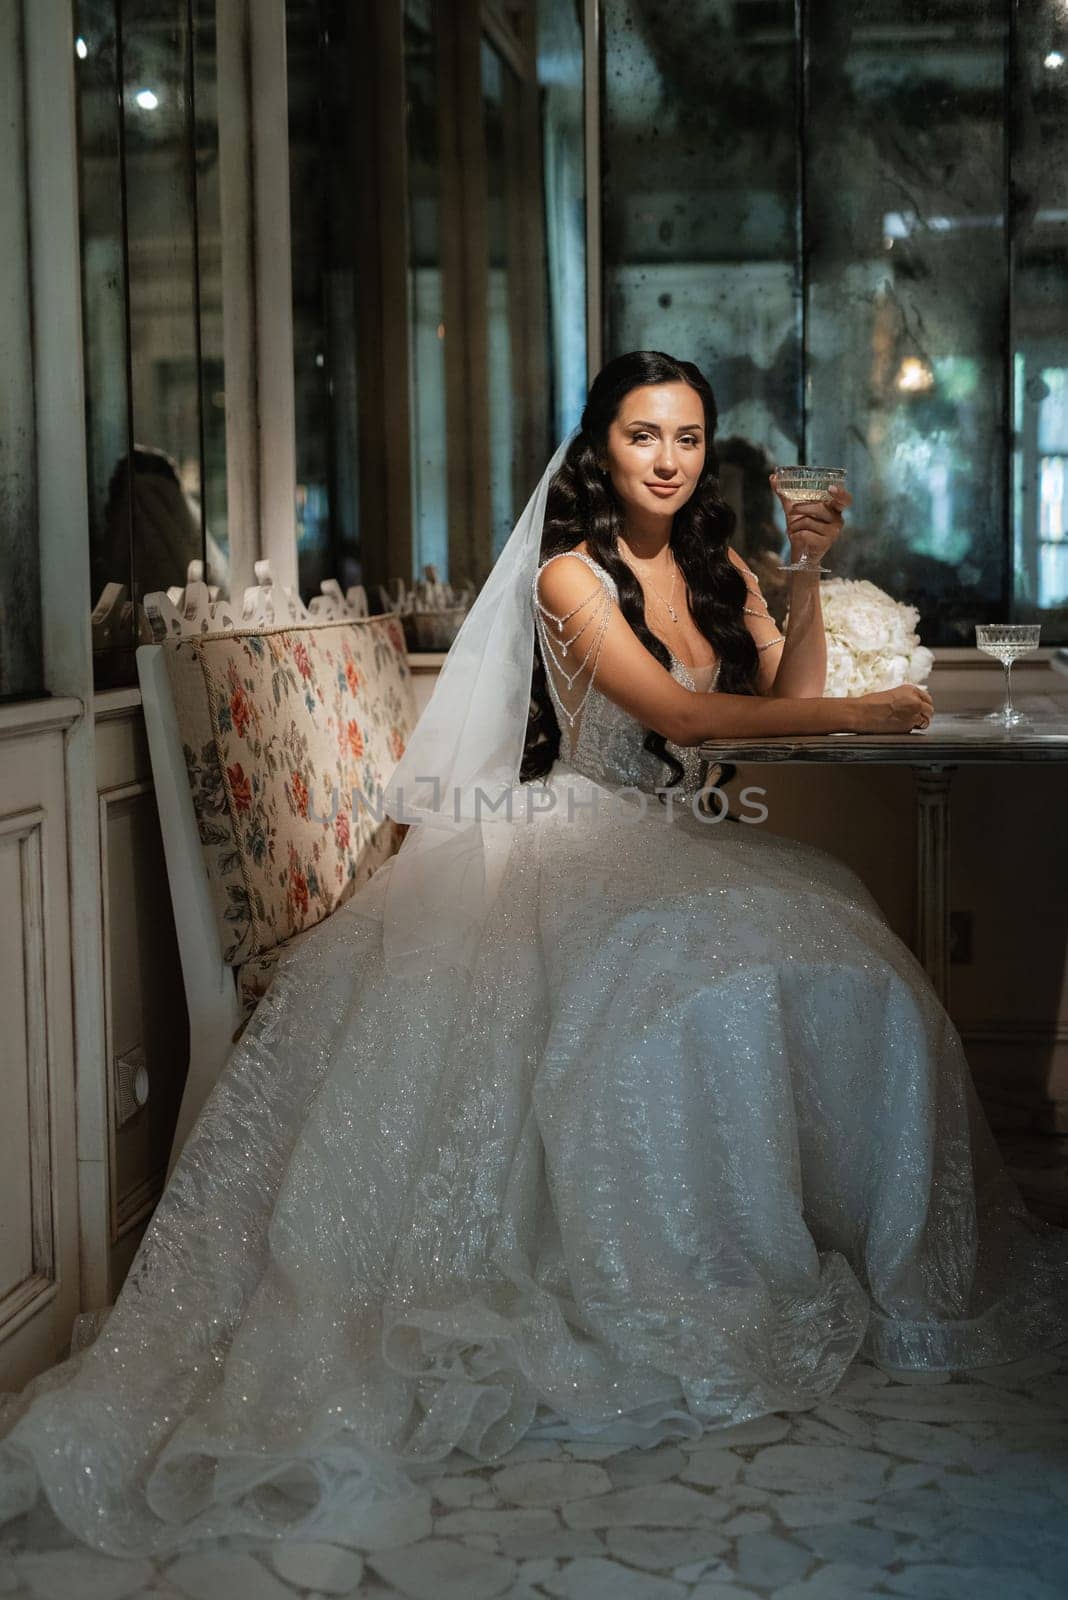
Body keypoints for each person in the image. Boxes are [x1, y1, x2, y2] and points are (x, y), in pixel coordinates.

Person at [1, 351, 1066, 1559]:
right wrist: (852, 714)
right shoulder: (571, 572)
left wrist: (804, 568)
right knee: (695, 972)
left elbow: (782, 684)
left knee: (849, 941)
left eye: (686, 437)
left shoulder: (715, 562)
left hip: (679, 838)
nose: (666, 459)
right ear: (599, 447)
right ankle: (679, 1275)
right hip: (571, 833)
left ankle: (829, 1245)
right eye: (640, 435)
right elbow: (681, 717)